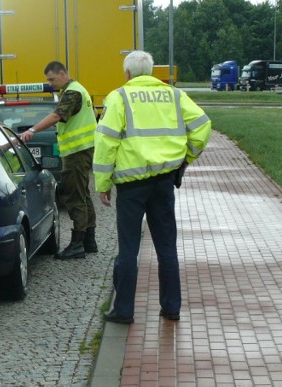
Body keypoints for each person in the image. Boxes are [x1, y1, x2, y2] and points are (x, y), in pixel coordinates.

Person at [94, 50, 212, 324]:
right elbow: (203, 126)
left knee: (128, 250)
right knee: (167, 248)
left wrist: (102, 183)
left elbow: (106, 142)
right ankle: (171, 308)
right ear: (151, 72)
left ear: (127, 74)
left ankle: (123, 310)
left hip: (131, 187)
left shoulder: (119, 97)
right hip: (163, 183)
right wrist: (186, 159)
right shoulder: (174, 94)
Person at [20, 61, 98, 260]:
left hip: (77, 152)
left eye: (51, 79)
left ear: (63, 73)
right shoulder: (76, 90)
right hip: (81, 150)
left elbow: (56, 116)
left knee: (75, 197)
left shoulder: (73, 93)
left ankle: (78, 244)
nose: (50, 83)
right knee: (83, 194)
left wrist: (32, 130)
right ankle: (89, 240)